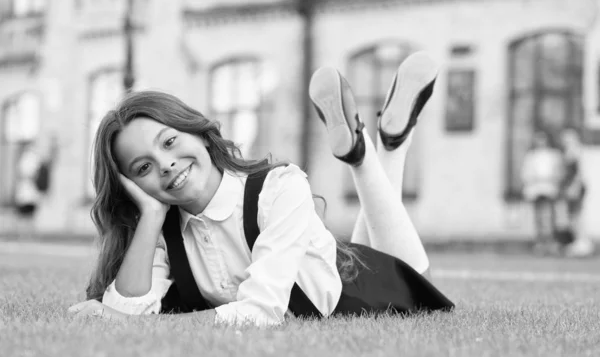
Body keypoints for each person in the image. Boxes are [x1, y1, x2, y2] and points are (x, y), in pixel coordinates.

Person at [68, 51, 454, 325]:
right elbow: (125, 313)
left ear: (199, 133)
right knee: (376, 239)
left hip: (362, 296)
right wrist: (150, 215)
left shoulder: (279, 187)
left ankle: (369, 153)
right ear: (131, 185)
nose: (166, 164)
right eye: (143, 167)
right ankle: (387, 144)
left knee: (419, 281)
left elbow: (259, 313)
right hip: (336, 262)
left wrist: (131, 324)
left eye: (169, 142)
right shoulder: (161, 227)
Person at [520, 130, 564, 254]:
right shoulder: (531, 155)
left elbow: (559, 172)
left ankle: (550, 241)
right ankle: (540, 242)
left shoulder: (554, 155)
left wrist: (551, 179)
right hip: (535, 189)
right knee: (538, 216)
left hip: (549, 189)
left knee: (548, 216)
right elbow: (525, 173)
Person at [558, 128, 594, 257]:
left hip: (575, 187)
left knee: (576, 215)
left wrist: (574, 186)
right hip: (571, 187)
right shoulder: (569, 151)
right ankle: (579, 241)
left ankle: (582, 242)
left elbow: (579, 172)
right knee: (572, 216)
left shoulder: (576, 151)